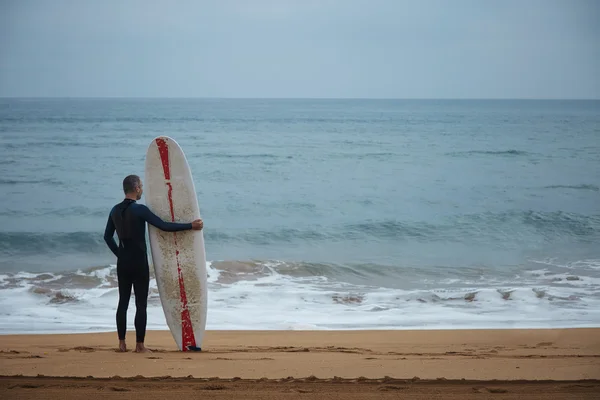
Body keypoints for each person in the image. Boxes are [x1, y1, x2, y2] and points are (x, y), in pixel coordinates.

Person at [103, 174, 203, 353]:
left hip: (123, 263)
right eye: (141, 186)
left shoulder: (114, 210)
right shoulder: (140, 210)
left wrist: (119, 254)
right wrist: (190, 226)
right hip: (139, 263)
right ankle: (140, 345)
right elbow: (163, 225)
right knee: (141, 304)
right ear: (137, 189)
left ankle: (122, 344)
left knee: (123, 302)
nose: (142, 189)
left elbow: (107, 237)